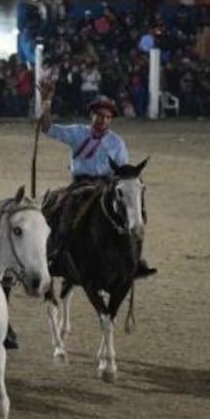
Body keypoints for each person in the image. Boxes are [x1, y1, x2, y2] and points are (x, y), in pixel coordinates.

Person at [38, 80, 156, 279]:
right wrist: (46, 102)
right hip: (80, 185)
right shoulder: (77, 133)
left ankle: (134, 260)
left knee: (132, 215)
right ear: (91, 116)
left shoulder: (117, 142)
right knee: (57, 208)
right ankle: (55, 252)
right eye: (100, 116)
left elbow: (123, 172)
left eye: (108, 117)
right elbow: (47, 128)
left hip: (106, 186)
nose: (103, 120)